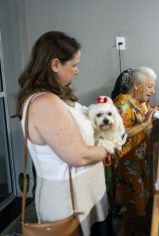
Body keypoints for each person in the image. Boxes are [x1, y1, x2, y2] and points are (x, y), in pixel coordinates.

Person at [15, 31, 113, 236]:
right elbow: (78, 155)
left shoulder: (56, 97)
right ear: (55, 64)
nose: (77, 71)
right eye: (74, 64)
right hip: (69, 204)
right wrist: (108, 148)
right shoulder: (45, 103)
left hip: (85, 196)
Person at [110, 67, 159, 235]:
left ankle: (138, 227)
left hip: (141, 162)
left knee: (144, 203)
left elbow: (153, 110)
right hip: (127, 164)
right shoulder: (122, 103)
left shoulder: (141, 102)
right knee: (135, 208)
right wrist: (145, 124)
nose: (153, 91)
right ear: (137, 85)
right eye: (149, 87)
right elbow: (118, 133)